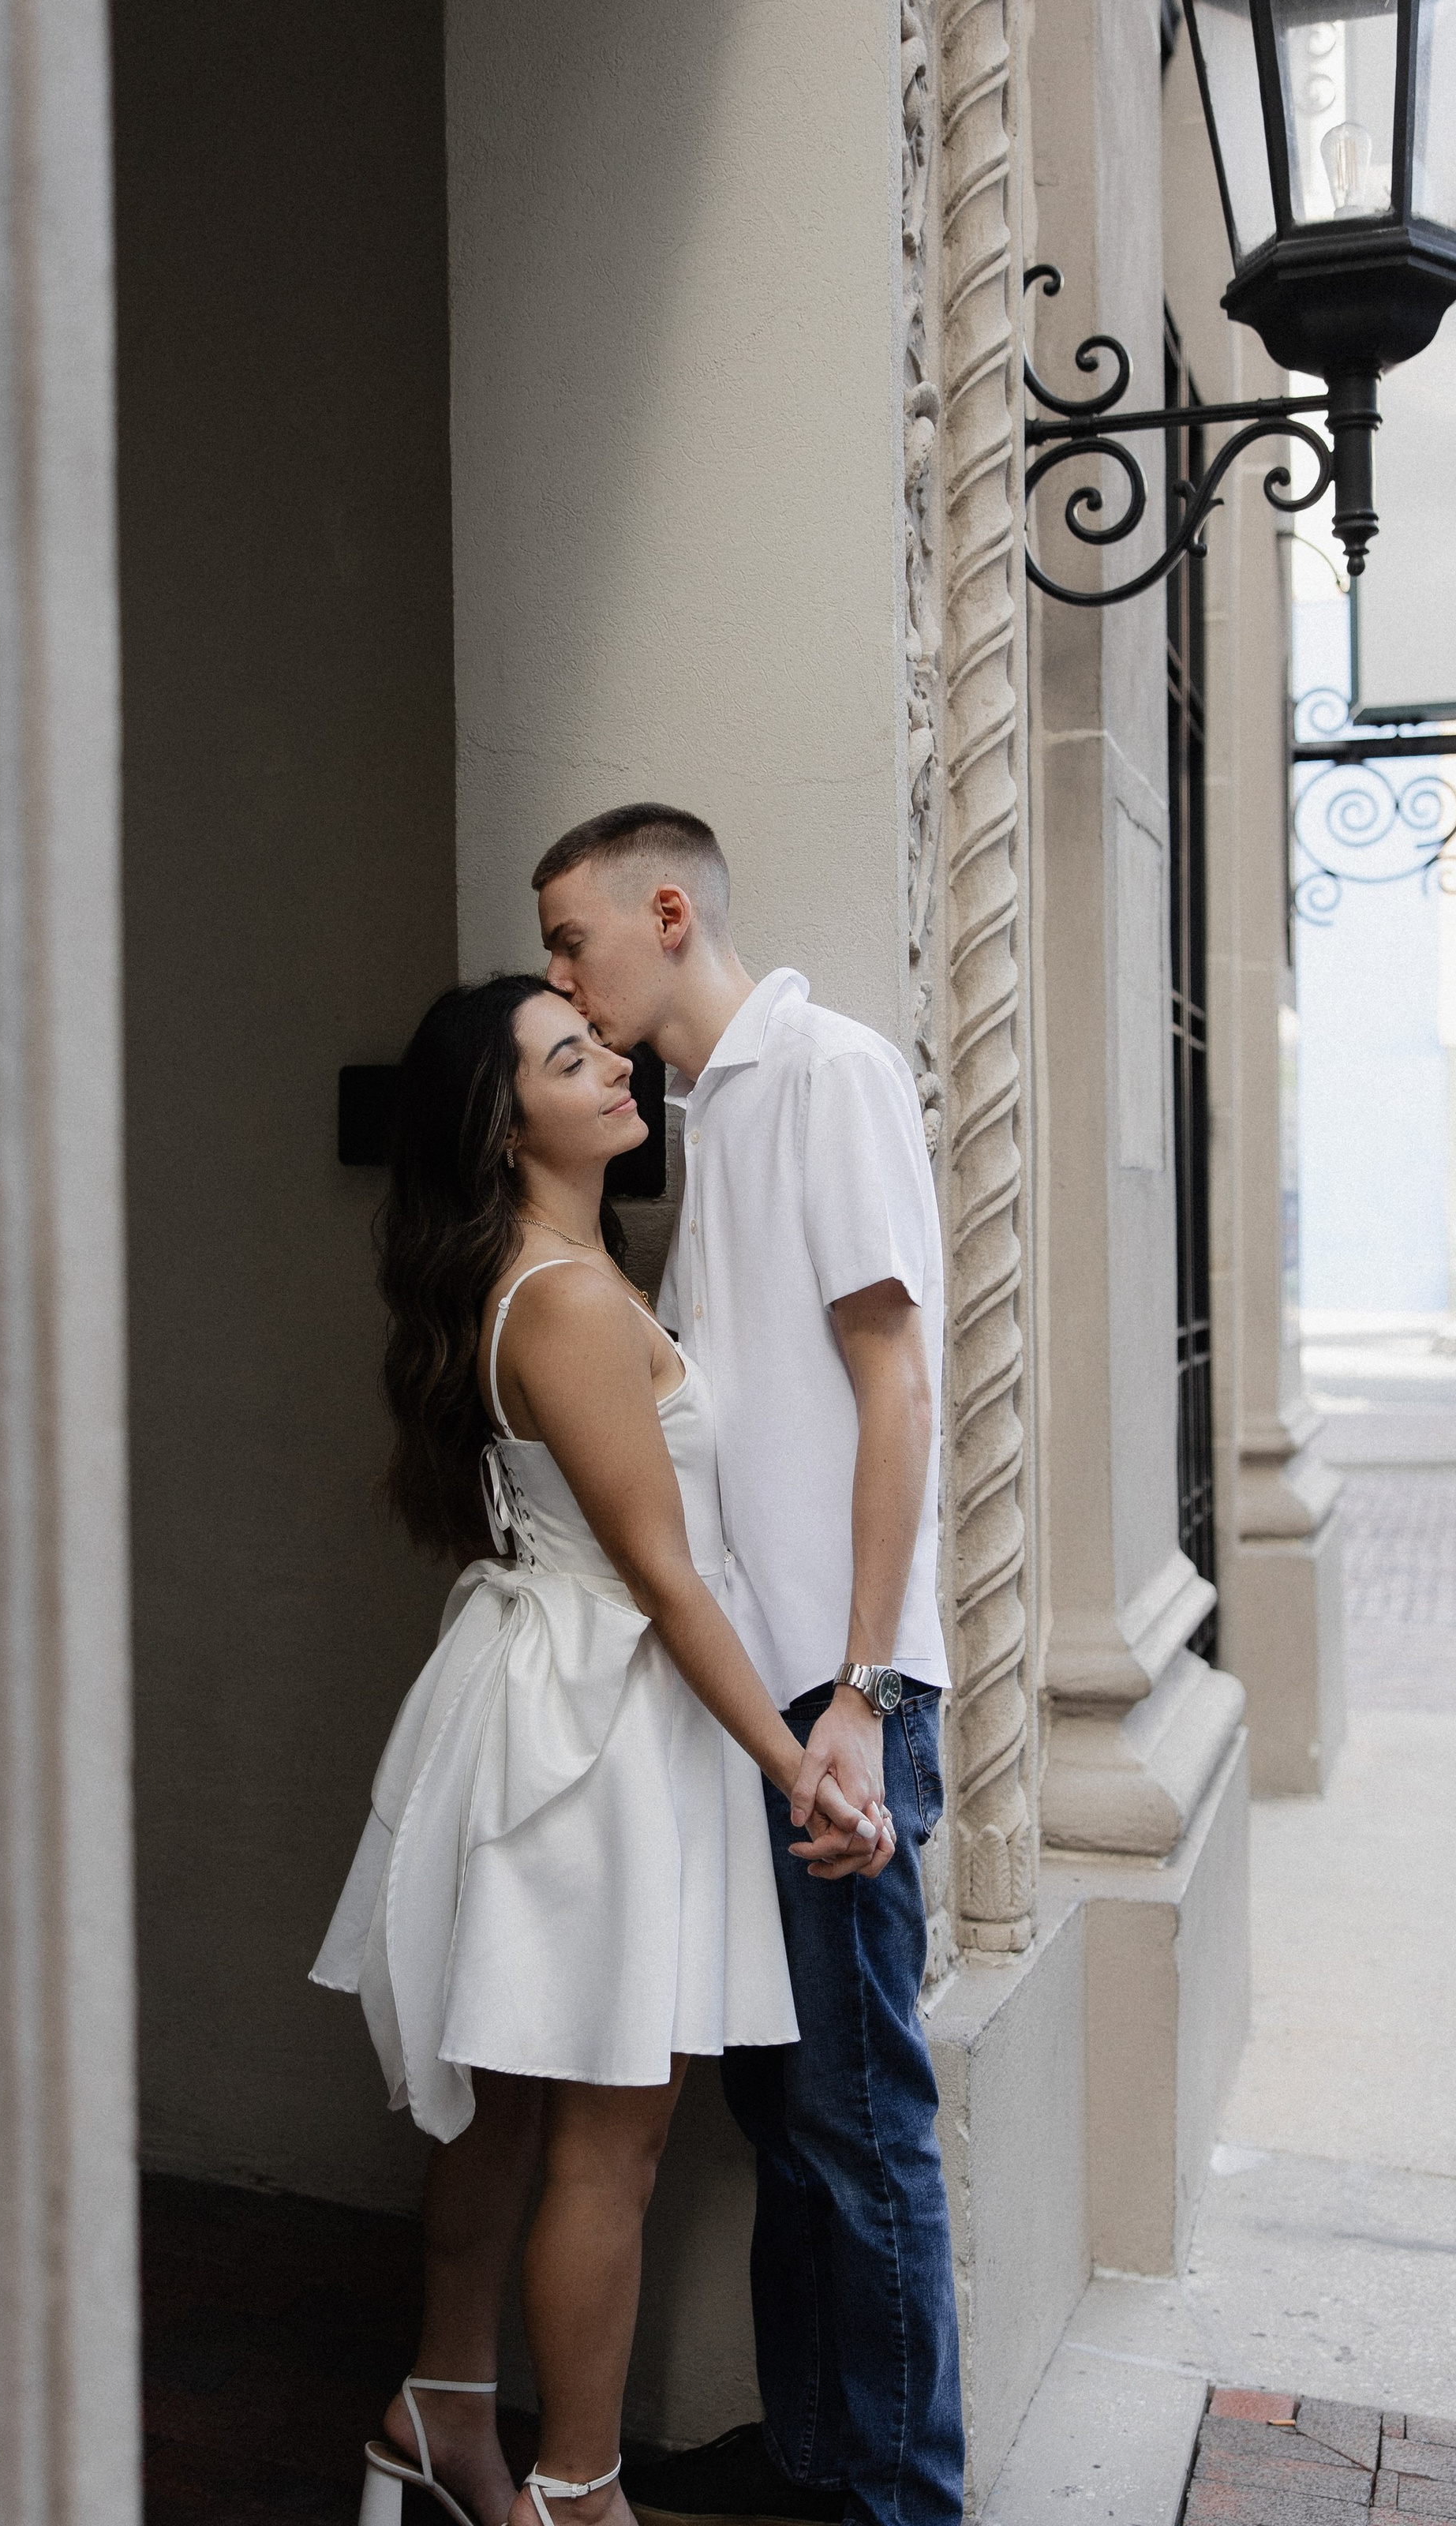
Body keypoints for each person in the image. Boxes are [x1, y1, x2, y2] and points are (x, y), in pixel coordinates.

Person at [311, 976, 891, 2526]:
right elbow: (664, 1575)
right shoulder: (561, 1297)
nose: (615, 1062)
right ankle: (579, 2496)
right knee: (607, 2148)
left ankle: (439, 2412)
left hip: (558, 1707)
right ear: (510, 1129)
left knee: (513, 2110)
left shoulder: (567, 1263)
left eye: (596, 1038)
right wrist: (798, 1760)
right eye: (571, 1059)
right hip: (601, 1736)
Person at [537, 806, 964, 2526]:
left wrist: (858, 1688)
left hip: (831, 1699)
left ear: (665, 908)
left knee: (858, 2125)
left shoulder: (826, 1071)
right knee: (793, 2121)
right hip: (765, 1701)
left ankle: (894, 2500)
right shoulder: (713, 1112)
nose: (562, 973)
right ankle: (815, 2455)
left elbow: (896, 1383)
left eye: (572, 938)